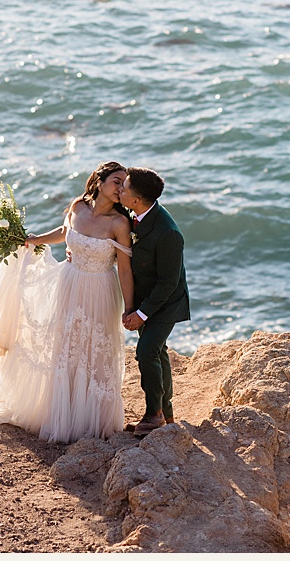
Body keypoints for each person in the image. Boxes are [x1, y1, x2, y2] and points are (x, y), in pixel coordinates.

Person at [0, 162, 134, 442]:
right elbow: (65, 233)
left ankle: (93, 418)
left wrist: (130, 306)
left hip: (100, 289)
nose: (120, 187)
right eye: (116, 180)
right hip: (70, 281)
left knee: (95, 349)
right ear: (99, 182)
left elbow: (124, 268)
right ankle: (62, 411)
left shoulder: (119, 223)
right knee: (66, 345)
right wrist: (36, 239)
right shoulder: (78, 207)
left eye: (124, 183)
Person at [116, 167, 190, 434]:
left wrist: (142, 313)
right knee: (158, 352)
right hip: (147, 297)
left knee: (146, 351)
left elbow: (168, 283)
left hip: (166, 302)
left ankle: (153, 414)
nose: (119, 191)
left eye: (123, 188)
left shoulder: (168, 233)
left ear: (136, 200)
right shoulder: (135, 212)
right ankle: (166, 414)